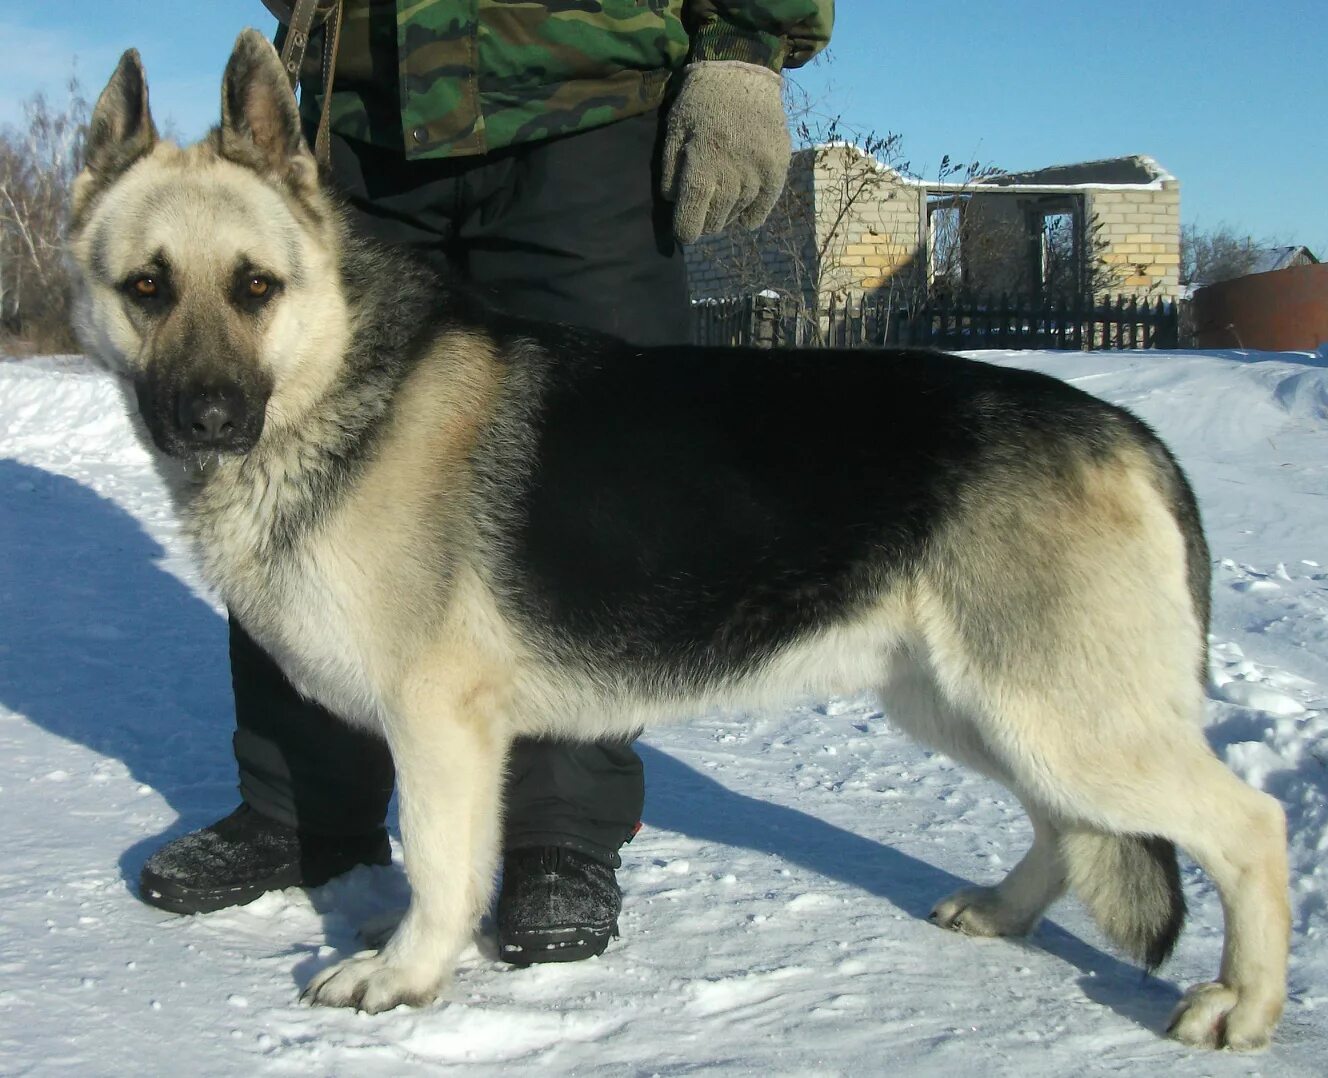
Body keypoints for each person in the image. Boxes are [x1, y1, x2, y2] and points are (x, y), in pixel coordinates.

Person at [138, 0, 833, 966]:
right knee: (285, 463)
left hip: (585, 98)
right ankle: (302, 809)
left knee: (594, 473)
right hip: (363, 107)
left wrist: (747, 50)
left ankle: (560, 832)